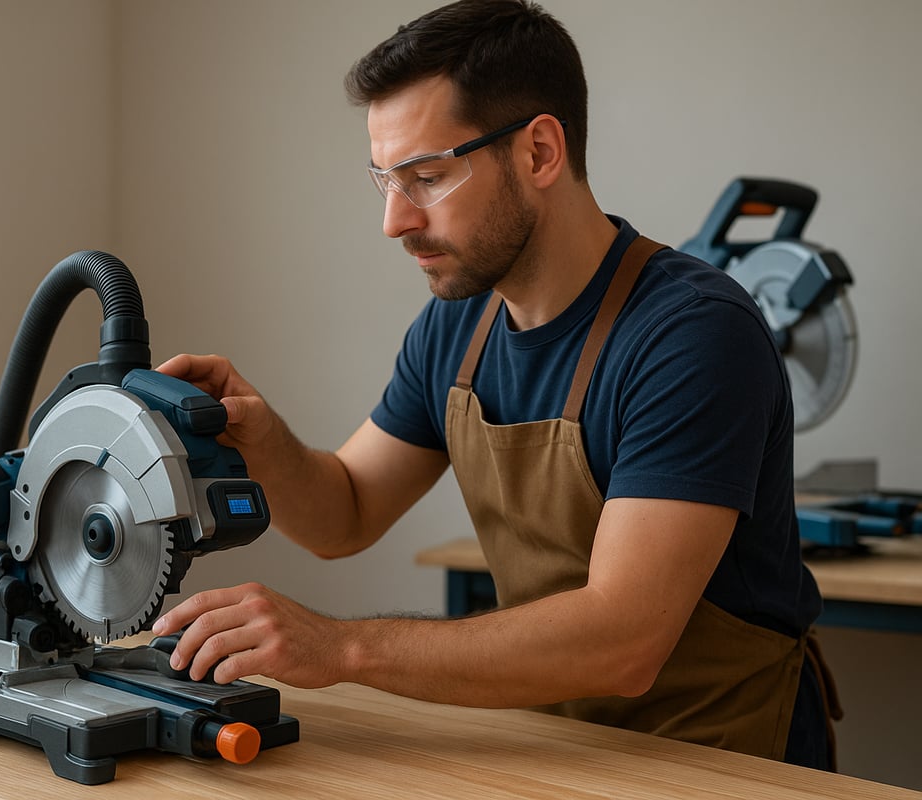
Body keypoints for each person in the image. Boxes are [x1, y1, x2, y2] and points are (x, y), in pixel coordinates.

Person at [152, 0, 836, 769]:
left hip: (721, 762)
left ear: (539, 152)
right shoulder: (458, 326)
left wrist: (341, 646)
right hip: (554, 750)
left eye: (426, 177)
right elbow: (346, 513)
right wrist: (259, 436)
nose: (394, 222)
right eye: (385, 181)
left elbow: (624, 642)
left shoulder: (692, 335)